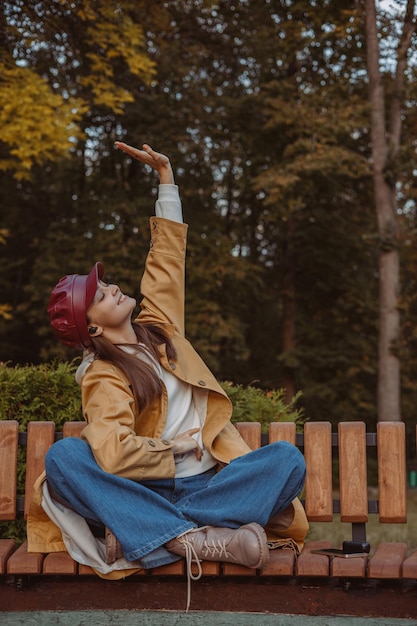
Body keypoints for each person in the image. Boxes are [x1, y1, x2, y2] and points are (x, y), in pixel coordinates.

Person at [27, 141, 308, 608]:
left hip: (209, 484)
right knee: (63, 460)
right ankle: (196, 540)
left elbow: (166, 263)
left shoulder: (160, 329)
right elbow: (113, 455)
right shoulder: (103, 374)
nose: (112, 286)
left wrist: (166, 181)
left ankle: (153, 536)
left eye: (106, 282)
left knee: (286, 462)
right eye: (100, 293)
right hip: (142, 485)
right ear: (92, 327)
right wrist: (171, 448)